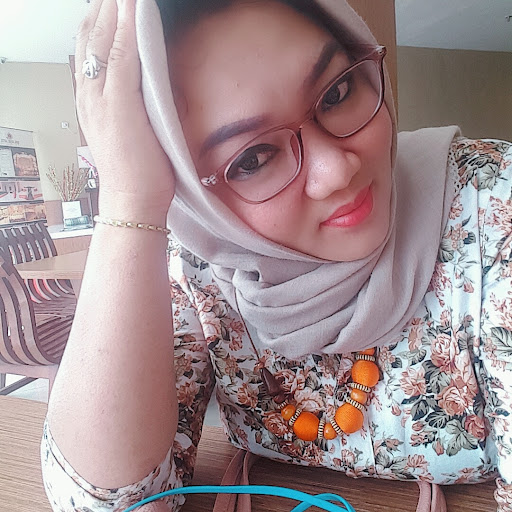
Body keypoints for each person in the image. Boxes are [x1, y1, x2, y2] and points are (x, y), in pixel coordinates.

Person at [41, 0, 512, 510]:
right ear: (195, 200)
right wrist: (128, 202)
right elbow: (107, 502)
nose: (337, 171)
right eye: (253, 158)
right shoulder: (196, 264)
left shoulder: (492, 206)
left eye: (336, 92)